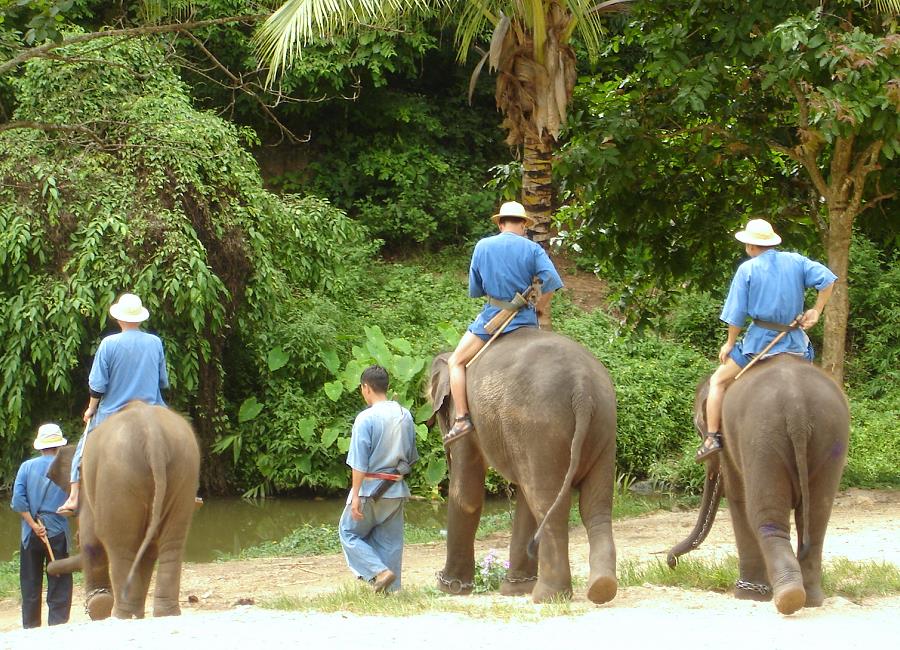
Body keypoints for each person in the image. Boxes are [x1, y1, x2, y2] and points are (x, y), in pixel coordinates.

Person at [696, 218, 837, 462]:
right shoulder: (796, 261)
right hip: (795, 342)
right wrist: (817, 309)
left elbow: (736, 315)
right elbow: (828, 279)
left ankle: (711, 438)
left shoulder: (747, 270)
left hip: (759, 343)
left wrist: (730, 343)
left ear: (750, 246)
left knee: (717, 380)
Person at [445, 201, 564, 441]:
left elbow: (476, 289)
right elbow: (552, 279)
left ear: (500, 224)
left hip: (493, 318)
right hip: (526, 320)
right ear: (523, 225)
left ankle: (461, 419)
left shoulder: (483, 246)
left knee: (455, 361)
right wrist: (540, 306)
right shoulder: (533, 249)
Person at [57, 293, 169, 515]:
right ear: (140, 318)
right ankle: (176, 492)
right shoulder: (155, 343)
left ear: (119, 319)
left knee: (84, 446)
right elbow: (163, 381)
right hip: (150, 411)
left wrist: (90, 409)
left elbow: (98, 385)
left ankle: (74, 496)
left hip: (112, 414)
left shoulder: (109, 344)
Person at [338, 365, 418, 593]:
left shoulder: (365, 418)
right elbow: (412, 457)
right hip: (396, 490)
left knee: (348, 533)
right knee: (390, 541)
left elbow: (359, 463)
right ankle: (391, 591)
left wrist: (355, 494)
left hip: (369, 490)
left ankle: (379, 572)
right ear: (386, 387)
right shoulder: (405, 415)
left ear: (366, 388)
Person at [10, 424, 73, 628]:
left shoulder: (26, 467)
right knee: (60, 580)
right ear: (59, 446)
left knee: (30, 583)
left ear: (40, 446)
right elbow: (75, 502)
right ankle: (58, 625)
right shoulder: (68, 468)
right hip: (57, 532)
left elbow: (18, 501)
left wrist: (33, 525)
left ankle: (31, 628)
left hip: (30, 534)